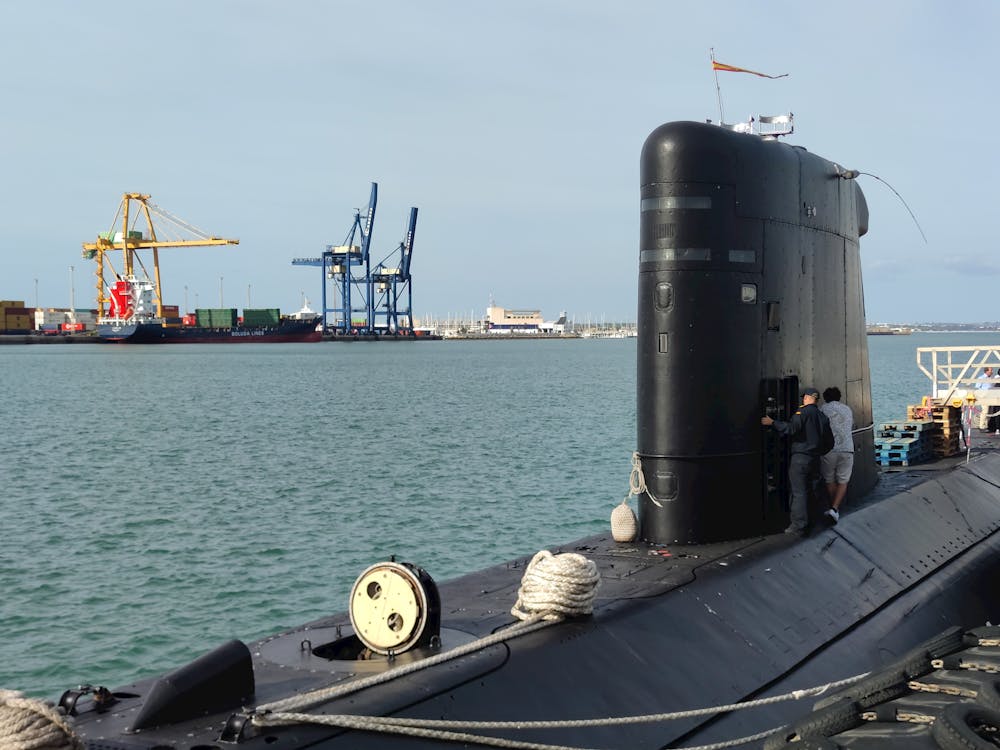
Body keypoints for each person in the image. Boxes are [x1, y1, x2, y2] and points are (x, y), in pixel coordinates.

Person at [761, 387, 826, 536]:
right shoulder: (823, 417)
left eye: (804, 397)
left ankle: (799, 524)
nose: (802, 399)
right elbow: (829, 441)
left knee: (799, 492)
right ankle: (814, 520)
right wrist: (819, 452)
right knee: (814, 490)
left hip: (801, 458)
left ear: (808, 398)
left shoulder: (801, 413)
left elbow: (791, 429)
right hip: (815, 458)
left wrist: (772, 422)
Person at [819, 386, 854, 524]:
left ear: (825, 397)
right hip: (847, 449)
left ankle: (834, 509)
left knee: (829, 479)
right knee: (843, 480)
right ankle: (835, 508)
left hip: (829, 450)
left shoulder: (822, 409)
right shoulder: (847, 409)